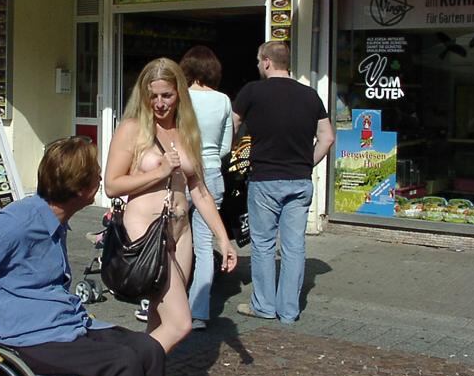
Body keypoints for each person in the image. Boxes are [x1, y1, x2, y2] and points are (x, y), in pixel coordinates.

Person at [0, 137, 167, 376]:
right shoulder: (16, 224)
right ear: (79, 189)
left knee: (149, 349)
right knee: (122, 366)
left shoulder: (54, 220)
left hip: (61, 326)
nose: (101, 177)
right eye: (95, 173)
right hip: (27, 337)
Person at [105, 57, 237, 353]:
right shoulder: (133, 128)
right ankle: (127, 370)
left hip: (181, 232)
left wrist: (223, 238)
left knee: (158, 317)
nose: (159, 103)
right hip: (147, 230)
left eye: (167, 95)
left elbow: (199, 191)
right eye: (153, 96)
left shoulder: (186, 130)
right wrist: (159, 172)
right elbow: (112, 185)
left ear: (179, 94)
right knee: (180, 323)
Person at [232, 41, 335, 324]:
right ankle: (289, 311)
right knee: (294, 246)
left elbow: (232, 125)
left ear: (266, 61)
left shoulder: (252, 91)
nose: (258, 65)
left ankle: (264, 306)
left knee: (263, 245)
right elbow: (327, 137)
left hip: (265, 179)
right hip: (299, 180)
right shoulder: (310, 95)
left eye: (258, 61)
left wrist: (232, 154)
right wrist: (307, 163)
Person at [179, 46, 234, 331]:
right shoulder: (223, 100)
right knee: (203, 245)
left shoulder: (180, 98)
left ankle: (166, 303)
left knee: (173, 240)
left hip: (182, 172)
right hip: (211, 172)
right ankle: (199, 312)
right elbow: (225, 146)